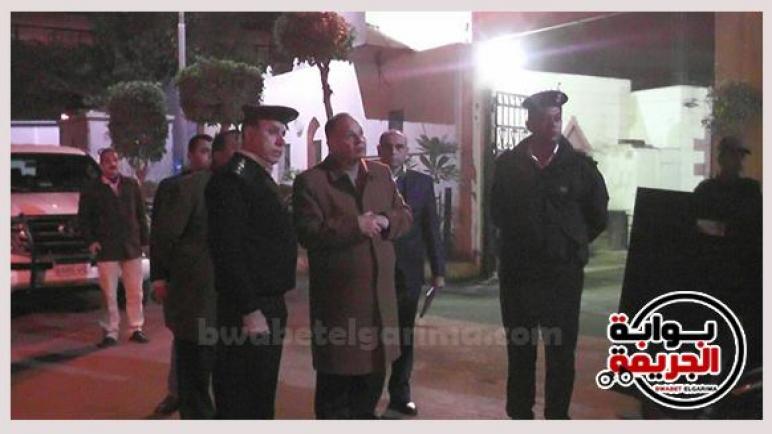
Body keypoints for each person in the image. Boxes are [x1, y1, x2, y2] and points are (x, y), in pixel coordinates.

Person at [490, 90, 609, 419]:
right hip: (519, 275)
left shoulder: (579, 167)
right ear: (529, 122)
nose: (552, 124)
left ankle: (557, 416)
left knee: (561, 352)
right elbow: (498, 212)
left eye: (557, 118)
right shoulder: (509, 166)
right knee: (520, 349)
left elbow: (598, 215)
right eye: (545, 118)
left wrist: (570, 242)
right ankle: (520, 415)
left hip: (561, 275)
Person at [293, 113, 413, 419]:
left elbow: (405, 214)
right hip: (340, 307)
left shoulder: (380, 174)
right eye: (350, 135)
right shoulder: (312, 182)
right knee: (335, 394)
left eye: (360, 133)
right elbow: (308, 232)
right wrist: (354, 225)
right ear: (331, 142)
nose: (360, 139)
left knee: (370, 390)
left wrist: (386, 220)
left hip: (380, 305)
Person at [206, 104, 299, 419]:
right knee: (242, 395)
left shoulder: (257, 177)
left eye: (283, 133)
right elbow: (227, 250)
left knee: (261, 391)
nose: (280, 140)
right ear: (248, 134)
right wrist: (249, 309)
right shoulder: (233, 180)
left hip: (266, 302)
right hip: (248, 307)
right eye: (272, 131)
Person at [377, 129, 445, 418]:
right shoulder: (367, 181)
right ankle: (368, 394)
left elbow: (431, 227)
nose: (393, 152)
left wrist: (438, 271)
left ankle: (400, 395)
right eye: (388, 147)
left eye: (399, 147)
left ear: (407, 152)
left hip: (408, 272)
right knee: (373, 334)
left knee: (404, 335)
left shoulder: (421, 183)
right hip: (375, 271)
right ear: (379, 150)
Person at [150, 134, 213, 418]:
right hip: (182, 279)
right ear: (191, 155)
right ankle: (177, 392)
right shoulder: (173, 187)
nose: (207, 157)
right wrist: (159, 277)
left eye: (211, 151)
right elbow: (161, 236)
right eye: (203, 151)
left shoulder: (216, 186)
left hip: (207, 284)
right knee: (186, 340)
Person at [692, 136, 762, 368]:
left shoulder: (749, 190)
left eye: (740, 156)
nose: (738, 161)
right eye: (733, 155)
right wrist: (726, 230)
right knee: (714, 331)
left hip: (743, 272)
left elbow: (755, 226)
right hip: (714, 273)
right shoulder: (707, 190)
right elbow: (696, 225)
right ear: (722, 158)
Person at [78, 147, 150, 348]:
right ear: (101, 165)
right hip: (106, 248)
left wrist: (145, 241)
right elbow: (84, 219)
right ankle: (110, 331)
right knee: (108, 293)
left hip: (131, 246)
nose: (112, 164)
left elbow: (141, 214)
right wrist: (91, 241)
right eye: (108, 160)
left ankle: (136, 328)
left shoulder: (131, 185)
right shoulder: (92, 189)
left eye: (115, 160)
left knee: (135, 291)